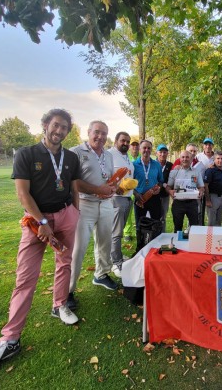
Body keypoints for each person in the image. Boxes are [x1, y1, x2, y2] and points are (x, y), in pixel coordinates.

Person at [0, 109, 81, 375]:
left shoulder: (71, 157)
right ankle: (10, 338)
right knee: (25, 278)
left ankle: (59, 304)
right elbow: (22, 193)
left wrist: (75, 213)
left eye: (64, 127)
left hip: (66, 216)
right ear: (45, 125)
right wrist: (42, 223)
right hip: (36, 220)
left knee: (65, 262)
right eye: (56, 125)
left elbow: (73, 187)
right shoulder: (26, 154)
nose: (59, 131)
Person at [67, 121, 118, 312]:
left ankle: (101, 274)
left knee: (105, 242)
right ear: (88, 132)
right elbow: (73, 182)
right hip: (84, 204)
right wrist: (97, 189)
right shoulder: (76, 152)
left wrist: (113, 187)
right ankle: (69, 290)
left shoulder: (108, 154)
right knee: (78, 248)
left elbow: (110, 177)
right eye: (97, 132)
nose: (101, 137)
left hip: (106, 205)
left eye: (104, 134)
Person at [107, 132, 135, 278]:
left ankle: (117, 255)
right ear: (116, 141)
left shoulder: (126, 156)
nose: (125, 143)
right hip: (117, 198)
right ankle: (115, 262)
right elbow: (105, 175)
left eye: (127, 141)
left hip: (127, 198)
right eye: (122, 140)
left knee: (120, 229)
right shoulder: (109, 154)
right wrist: (114, 186)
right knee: (116, 232)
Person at [167, 150, 204, 231]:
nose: (185, 159)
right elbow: (168, 186)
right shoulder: (174, 171)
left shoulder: (196, 171)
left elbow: (201, 187)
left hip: (192, 203)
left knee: (194, 228)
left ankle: (193, 243)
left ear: (191, 159)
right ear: (180, 159)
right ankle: (177, 243)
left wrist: (201, 191)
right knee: (177, 228)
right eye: (183, 157)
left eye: (187, 157)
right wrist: (170, 191)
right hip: (178, 203)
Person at [133, 140, 164, 235]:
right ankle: (140, 247)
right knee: (140, 224)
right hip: (140, 198)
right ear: (140, 149)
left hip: (154, 198)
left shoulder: (157, 164)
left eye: (149, 148)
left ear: (151, 150)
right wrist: (135, 193)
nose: (146, 150)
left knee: (156, 223)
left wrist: (159, 188)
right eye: (144, 148)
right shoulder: (133, 165)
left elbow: (161, 181)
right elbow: (129, 183)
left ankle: (156, 245)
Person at [203, 150, 222, 226]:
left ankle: (217, 236)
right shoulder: (210, 170)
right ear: (214, 159)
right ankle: (210, 237)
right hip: (213, 197)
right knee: (212, 221)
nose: (220, 160)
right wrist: (208, 200)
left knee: (219, 220)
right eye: (218, 158)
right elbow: (205, 185)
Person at [122, 138, 140, 242]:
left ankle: (140, 230)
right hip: (128, 189)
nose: (135, 147)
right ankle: (127, 232)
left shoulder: (141, 158)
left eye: (136, 145)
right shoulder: (125, 157)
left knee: (139, 212)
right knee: (127, 212)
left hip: (139, 188)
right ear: (130, 147)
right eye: (133, 145)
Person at [196, 138, 215, 225]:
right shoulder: (198, 156)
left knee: (210, 210)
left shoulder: (216, 157)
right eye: (206, 144)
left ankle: (210, 227)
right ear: (203, 146)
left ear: (212, 146)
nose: (208, 146)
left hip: (212, 186)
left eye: (210, 144)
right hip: (199, 185)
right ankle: (199, 226)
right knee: (199, 209)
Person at [156, 144, 173, 233]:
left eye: (164, 152)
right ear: (157, 153)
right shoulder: (152, 163)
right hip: (153, 195)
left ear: (167, 153)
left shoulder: (170, 165)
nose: (162, 154)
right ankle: (153, 234)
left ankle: (162, 234)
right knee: (153, 216)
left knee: (163, 216)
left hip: (165, 195)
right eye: (160, 152)